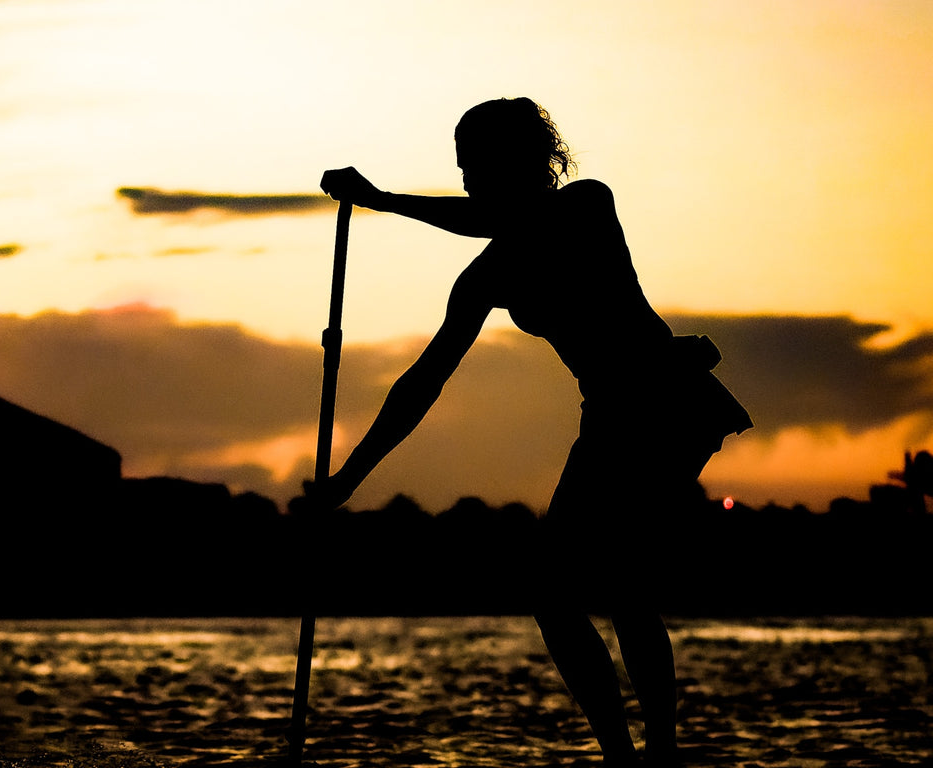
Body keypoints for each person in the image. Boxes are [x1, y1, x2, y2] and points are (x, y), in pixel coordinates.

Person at [312, 97, 751, 767]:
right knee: (577, 589)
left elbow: (499, 217)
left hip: (664, 403)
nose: (466, 181)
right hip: (608, 415)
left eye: (476, 165)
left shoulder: (586, 206)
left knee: (607, 583)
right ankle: (628, 758)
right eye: (461, 168)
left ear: (525, 160)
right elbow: (421, 385)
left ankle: (654, 757)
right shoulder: (486, 276)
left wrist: (384, 200)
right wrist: (347, 479)